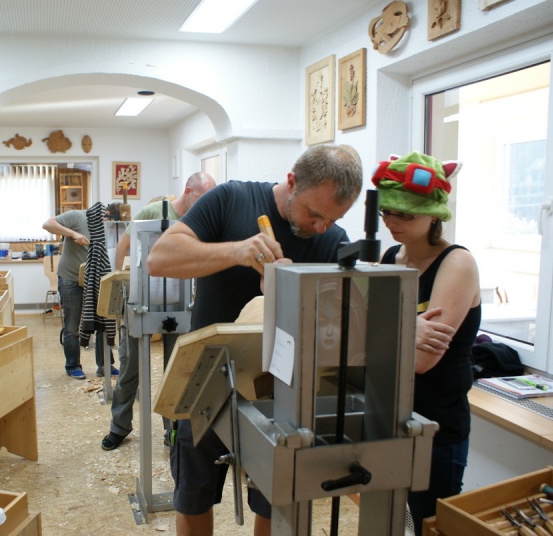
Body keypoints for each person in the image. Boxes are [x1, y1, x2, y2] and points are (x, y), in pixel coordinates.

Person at [146, 145, 363, 536]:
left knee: (276, 500)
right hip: (207, 381)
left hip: (281, 391)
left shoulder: (332, 240)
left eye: (333, 219)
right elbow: (159, 259)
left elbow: (343, 322)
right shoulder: (232, 199)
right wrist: (238, 251)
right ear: (292, 182)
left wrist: (294, 294)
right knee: (194, 495)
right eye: (314, 214)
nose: (321, 228)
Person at [373, 152, 481, 534]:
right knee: (385, 517)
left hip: (436, 423)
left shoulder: (456, 263)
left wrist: (388, 327)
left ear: (434, 215)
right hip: (391, 413)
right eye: (387, 213)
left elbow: (421, 360)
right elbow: (361, 332)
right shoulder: (390, 257)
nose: (392, 223)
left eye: (404, 215)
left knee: (431, 525)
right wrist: (406, 326)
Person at [101, 172, 216, 451]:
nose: (206, 205)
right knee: (130, 369)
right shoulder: (155, 211)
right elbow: (124, 244)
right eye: (202, 198)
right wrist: (121, 281)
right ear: (188, 191)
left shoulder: (200, 219)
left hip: (178, 302)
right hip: (143, 299)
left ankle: (172, 430)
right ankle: (119, 427)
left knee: (175, 371)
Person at [42, 209, 116, 379]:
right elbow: (47, 224)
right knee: (72, 326)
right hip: (71, 278)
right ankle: (73, 365)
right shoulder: (78, 216)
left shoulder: (113, 229)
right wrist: (73, 233)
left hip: (98, 279)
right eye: (108, 219)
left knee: (103, 323)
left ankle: (105, 365)